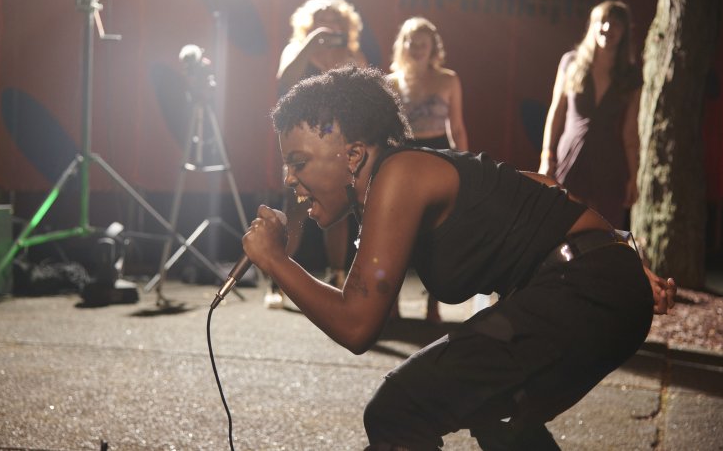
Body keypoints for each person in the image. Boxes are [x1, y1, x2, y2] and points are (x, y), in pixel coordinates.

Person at [243, 66, 676, 449]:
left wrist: (277, 261)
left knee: (400, 406)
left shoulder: (398, 175)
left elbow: (357, 324)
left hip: (587, 288)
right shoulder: (412, 171)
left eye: (298, 162)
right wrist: (616, 249)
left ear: (354, 154)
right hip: (597, 284)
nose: (289, 177)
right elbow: (544, 185)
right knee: (496, 415)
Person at [266, 0, 367, 308]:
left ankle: (337, 275)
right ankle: (278, 280)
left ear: (345, 25)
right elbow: (285, 81)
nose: (327, 23)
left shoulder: (351, 54)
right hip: (301, 139)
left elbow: (365, 92)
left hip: (335, 141)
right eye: (320, 17)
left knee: (339, 207)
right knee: (295, 207)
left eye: (334, 18)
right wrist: (311, 44)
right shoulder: (296, 49)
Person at [386, 16, 469, 322]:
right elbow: (384, 129)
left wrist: (466, 167)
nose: (418, 48)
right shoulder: (391, 82)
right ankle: (390, 303)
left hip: (438, 154)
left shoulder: (448, 79)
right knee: (398, 232)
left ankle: (433, 303)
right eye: (412, 42)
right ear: (403, 45)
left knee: (436, 233)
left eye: (423, 43)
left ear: (433, 47)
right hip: (403, 154)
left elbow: (457, 127)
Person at [539, 0, 641, 229]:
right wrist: (547, 157)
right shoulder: (571, 62)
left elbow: (630, 131)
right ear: (592, 25)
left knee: (603, 235)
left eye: (615, 24)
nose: (607, 28)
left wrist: (634, 176)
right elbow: (556, 111)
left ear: (624, 32)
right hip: (570, 160)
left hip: (610, 167)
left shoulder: (630, 75)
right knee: (561, 228)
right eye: (602, 21)